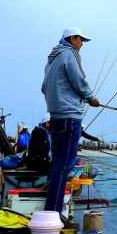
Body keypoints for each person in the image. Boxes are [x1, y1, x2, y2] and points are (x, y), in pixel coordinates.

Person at [41, 28, 100, 214]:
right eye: (80, 39)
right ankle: (54, 212)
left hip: (56, 117)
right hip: (69, 118)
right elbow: (79, 80)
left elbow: (44, 88)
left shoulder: (52, 59)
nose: (82, 44)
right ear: (72, 39)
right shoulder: (69, 54)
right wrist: (91, 98)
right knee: (65, 165)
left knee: (57, 162)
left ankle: (52, 208)